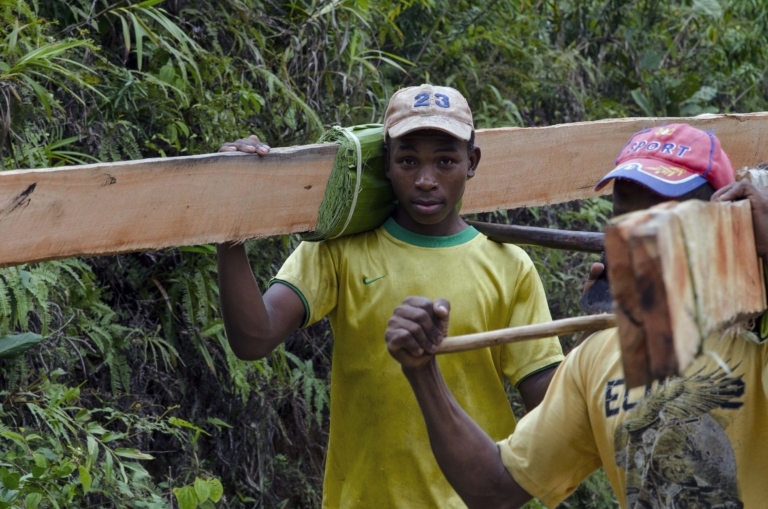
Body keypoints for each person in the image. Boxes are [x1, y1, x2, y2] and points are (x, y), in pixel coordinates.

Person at [216, 84, 565, 508]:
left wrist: (606, 341)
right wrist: (229, 221)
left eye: (446, 161)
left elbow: (545, 396)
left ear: (471, 162)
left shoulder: (509, 266)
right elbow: (254, 338)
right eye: (408, 161)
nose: (426, 180)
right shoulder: (341, 250)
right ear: (386, 163)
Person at [387, 123, 768, 508]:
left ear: (728, 219)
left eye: (665, 217)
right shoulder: (601, 352)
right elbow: (494, 490)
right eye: (624, 219)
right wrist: (422, 371)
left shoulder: (756, 332)